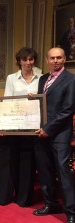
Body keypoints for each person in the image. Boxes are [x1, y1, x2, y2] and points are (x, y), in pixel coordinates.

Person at [0, 47, 42, 207]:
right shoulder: (11, 78)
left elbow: (44, 102)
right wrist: (2, 125)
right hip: (13, 124)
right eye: (25, 59)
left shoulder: (41, 78)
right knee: (8, 160)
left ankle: (23, 199)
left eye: (31, 59)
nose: (28, 62)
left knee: (27, 163)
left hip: (32, 126)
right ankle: (4, 197)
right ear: (19, 61)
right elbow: (7, 101)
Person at [33, 47, 75, 223]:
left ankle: (71, 212)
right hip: (40, 133)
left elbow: (68, 109)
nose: (56, 61)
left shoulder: (71, 79)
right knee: (45, 171)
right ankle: (51, 204)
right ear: (47, 60)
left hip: (60, 134)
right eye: (52, 58)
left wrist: (48, 129)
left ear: (64, 59)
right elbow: (43, 104)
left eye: (59, 57)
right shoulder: (43, 79)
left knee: (63, 172)